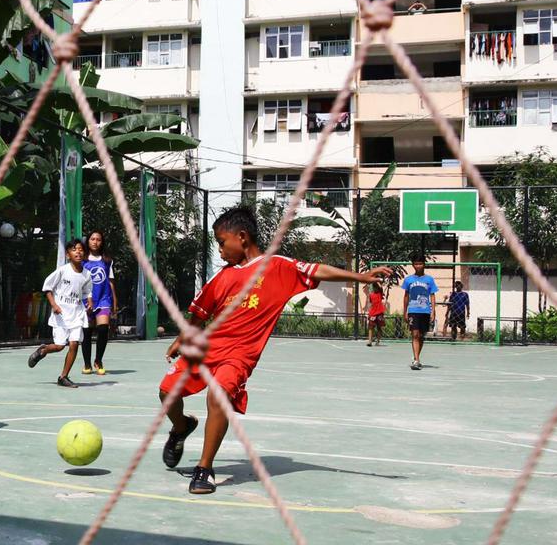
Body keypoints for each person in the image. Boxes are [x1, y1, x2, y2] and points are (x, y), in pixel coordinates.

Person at [158, 206, 389, 494]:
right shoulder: (223, 277)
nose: (219, 250)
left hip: (240, 354)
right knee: (167, 392)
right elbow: (199, 313)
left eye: (221, 241)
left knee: (219, 396)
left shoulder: (278, 266)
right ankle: (181, 427)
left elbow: (318, 269)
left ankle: (204, 469)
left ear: (241, 237)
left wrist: (360, 276)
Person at [28, 239, 93, 388]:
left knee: (74, 343)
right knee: (59, 346)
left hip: (77, 314)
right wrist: (54, 304)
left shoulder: (87, 275)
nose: (78, 252)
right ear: (68, 254)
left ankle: (63, 377)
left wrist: (89, 300)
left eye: (81, 249)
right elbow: (48, 287)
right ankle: (43, 350)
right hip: (62, 314)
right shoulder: (63, 271)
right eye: (74, 249)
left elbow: (87, 291)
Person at [81, 229, 117, 375]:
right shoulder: (82, 259)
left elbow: (111, 281)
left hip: (103, 298)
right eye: (92, 239)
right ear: (88, 241)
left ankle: (98, 360)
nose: (95, 242)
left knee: (103, 329)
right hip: (86, 299)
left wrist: (115, 301)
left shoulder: (107, 260)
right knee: (87, 332)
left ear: (102, 242)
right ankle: (87, 363)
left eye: (98, 239)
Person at [402, 255, 438, 370]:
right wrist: (405, 311)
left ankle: (416, 356)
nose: (418, 266)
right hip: (413, 310)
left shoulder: (429, 280)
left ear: (424, 264)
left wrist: (433, 311)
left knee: (421, 336)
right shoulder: (408, 280)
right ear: (413, 265)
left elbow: (432, 295)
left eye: (420, 263)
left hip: (425, 311)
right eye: (416, 264)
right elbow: (406, 296)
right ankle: (417, 360)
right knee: (415, 334)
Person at [366, 282, 386, 347]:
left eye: (376, 287)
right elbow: (370, 303)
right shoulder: (371, 295)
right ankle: (370, 341)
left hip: (380, 313)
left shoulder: (380, 294)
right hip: (373, 313)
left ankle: (377, 341)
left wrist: (377, 280)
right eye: (374, 287)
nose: (375, 289)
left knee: (379, 328)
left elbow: (381, 288)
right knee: (370, 327)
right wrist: (369, 312)